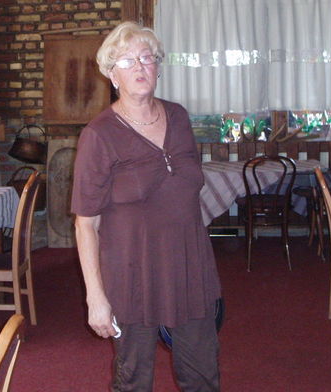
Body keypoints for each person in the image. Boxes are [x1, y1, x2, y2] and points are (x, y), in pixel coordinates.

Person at [72, 21, 222, 391]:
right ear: (112, 75)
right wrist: (95, 297)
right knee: (133, 380)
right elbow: (85, 224)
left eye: (147, 58)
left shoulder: (179, 117)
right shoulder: (98, 134)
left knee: (203, 377)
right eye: (127, 61)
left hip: (189, 265)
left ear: (158, 66)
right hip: (132, 273)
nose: (139, 67)